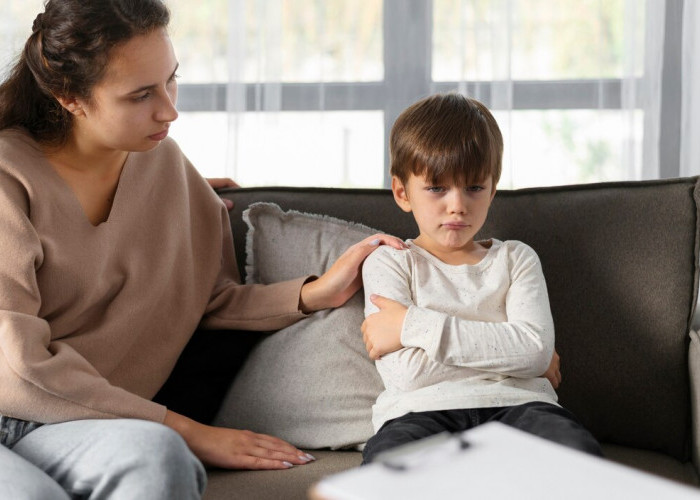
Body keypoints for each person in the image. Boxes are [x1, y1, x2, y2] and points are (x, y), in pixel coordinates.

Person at [0, 1, 406, 498]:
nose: (170, 109)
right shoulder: (8, 178)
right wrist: (190, 431)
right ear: (69, 97)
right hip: (11, 408)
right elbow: (15, 366)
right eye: (141, 95)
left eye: (171, 79)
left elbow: (206, 299)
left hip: (81, 427)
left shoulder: (164, 164)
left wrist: (313, 294)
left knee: (156, 457)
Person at [360, 93, 602, 464]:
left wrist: (411, 325)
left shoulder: (516, 258)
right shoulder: (389, 262)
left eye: (473, 187)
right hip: (418, 413)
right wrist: (512, 353)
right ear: (401, 192)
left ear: (492, 188)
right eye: (437, 187)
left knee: (578, 459)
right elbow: (407, 374)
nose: (457, 204)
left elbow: (535, 352)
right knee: (387, 472)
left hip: (522, 407)